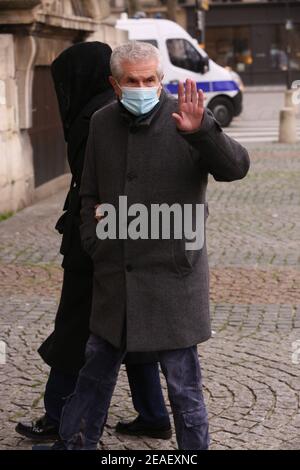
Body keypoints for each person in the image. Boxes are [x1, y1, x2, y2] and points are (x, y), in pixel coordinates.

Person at [45, 41, 250, 450]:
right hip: (115, 278)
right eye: (132, 81)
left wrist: (203, 132)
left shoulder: (186, 117)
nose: (143, 87)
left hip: (174, 279)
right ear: (115, 84)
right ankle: (76, 444)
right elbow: (88, 194)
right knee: (93, 379)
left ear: (161, 79)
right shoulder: (101, 122)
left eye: (150, 79)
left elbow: (236, 167)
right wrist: (95, 240)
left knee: (184, 388)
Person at [16, 41, 171, 443]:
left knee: (74, 328)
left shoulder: (95, 116)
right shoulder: (113, 109)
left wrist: (92, 239)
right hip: (132, 237)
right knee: (132, 326)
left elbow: (97, 188)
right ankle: (153, 413)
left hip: (98, 245)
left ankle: (57, 415)